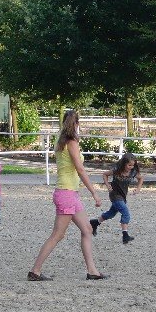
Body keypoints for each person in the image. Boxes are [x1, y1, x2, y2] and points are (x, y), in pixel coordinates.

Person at [28, 110, 107, 281]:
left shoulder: (62, 141)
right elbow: (80, 169)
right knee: (58, 235)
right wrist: (94, 192)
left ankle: (92, 271)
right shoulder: (71, 142)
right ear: (77, 123)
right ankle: (35, 270)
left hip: (70, 194)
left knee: (87, 229)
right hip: (67, 193)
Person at [90, 152, 144, 244]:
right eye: (129, 165)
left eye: (133, 165)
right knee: (125, 213)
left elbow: (141, 178)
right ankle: (125, 235)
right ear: (124, 163)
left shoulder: (133, 172)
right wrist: (107, 185)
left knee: (111, 214)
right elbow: (105, 174)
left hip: (123, 196)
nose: (131, 167)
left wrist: (138, 189)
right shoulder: (116, 170)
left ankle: (95, 222)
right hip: (115, 195)